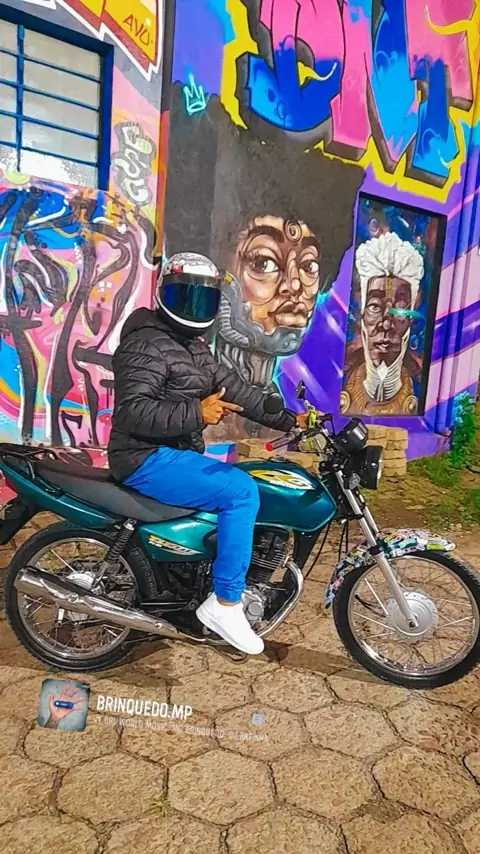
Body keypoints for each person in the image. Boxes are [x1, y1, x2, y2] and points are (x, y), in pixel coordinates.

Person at [108, 252, 304, 655]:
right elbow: (132, 412)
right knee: (240, 491)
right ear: (163, 294)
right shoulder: (145, 343)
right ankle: (226, 604)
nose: (194, 308)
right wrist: (196, 412)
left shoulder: (193, 348)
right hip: (144, 456)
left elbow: (239, 390)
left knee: (249, 483)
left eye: (204, 299)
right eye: (185, 297)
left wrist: (291, 419)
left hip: (173, 453)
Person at [340, 232, 424, 416]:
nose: (386, 324)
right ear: (362, 315)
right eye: (374, 306)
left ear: (411, 317)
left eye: (399, 307)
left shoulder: (420, 388)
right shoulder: (340, 378)